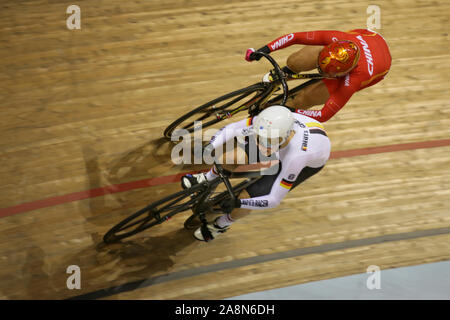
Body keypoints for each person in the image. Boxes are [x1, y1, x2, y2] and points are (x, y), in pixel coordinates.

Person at [181, 105, 331, 242]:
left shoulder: (297, 157)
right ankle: (207, 178)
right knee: (229, 158)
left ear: (284, 135)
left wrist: (239, 203)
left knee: (248, 198)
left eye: (267, 140)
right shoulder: (268, 121)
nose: (262, 143)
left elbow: (274, 199)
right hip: (281, 145)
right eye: (260, 138)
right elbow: (232, 128)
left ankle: (222, 224)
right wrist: (210, 146)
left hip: (305, 162)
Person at [245, 29, 392, 122]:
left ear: (344, 74)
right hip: (368, 36)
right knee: (297, 61)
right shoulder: (336, 37)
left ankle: (282, 107)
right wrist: (264, 50)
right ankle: (285, 73)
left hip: (379, 68)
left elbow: (323, 115)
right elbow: (294, 37)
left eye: (326, 73)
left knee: (305, 98)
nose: (320, 72)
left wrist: (292, 111)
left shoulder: (353, 80)